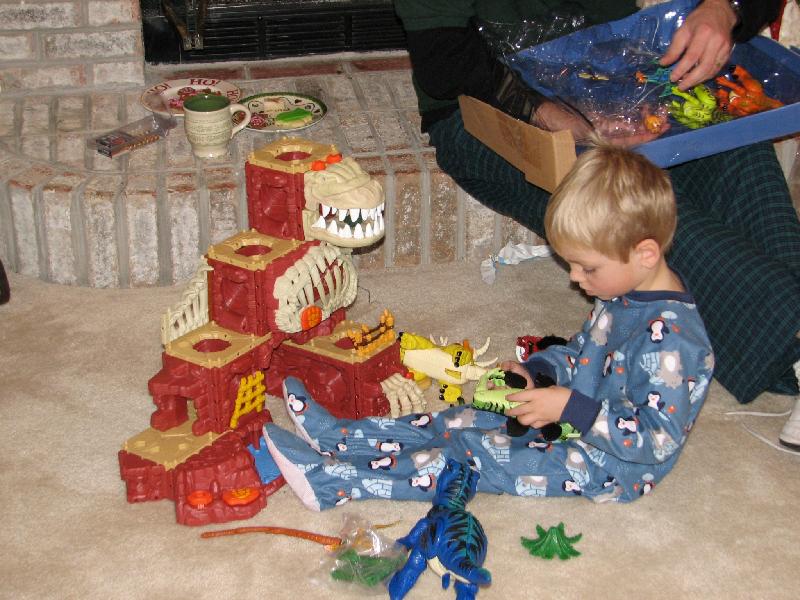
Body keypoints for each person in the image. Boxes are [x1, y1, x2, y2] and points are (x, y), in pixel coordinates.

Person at [392, 0, 800, 451]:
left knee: (732, 143)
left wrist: (725, 8)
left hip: (620, 73)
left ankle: (788, 337)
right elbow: (444, 59)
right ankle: (788, 328)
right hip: (490, 104)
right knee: (624, 213)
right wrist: (552, 114)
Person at [262, 143, 714, 510]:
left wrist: (569, 408)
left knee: (470, 454)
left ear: (645, 254)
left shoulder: (675, 344)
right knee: (459, 419)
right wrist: (538, 372)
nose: (575, 278)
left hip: (605, 466)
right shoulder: (620, 292)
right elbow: (582, 352)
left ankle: (335, 482)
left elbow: (655, 439)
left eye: (587, 267)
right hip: (569, 417)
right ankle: (342, 438)